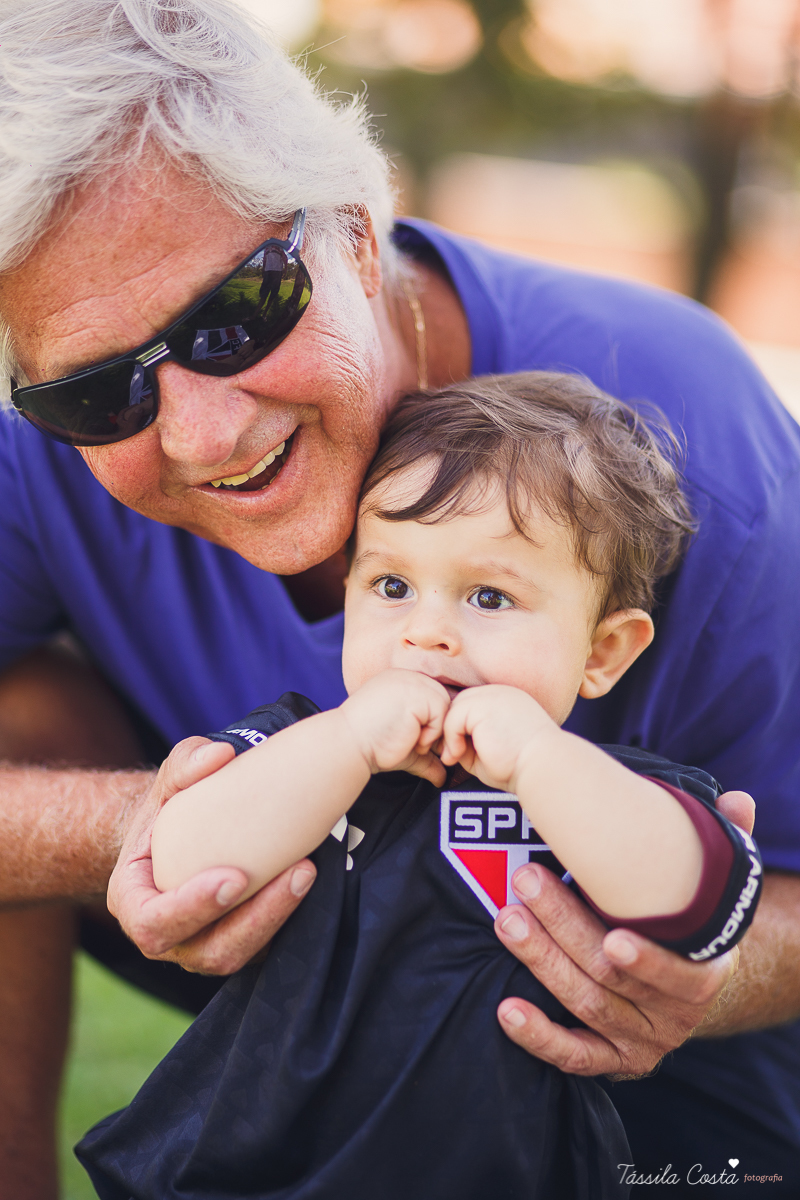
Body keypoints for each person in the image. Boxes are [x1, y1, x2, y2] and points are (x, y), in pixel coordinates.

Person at [0, 1, 797, 1197]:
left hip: (629, 1093)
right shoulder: (37, 457)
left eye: (235, 316)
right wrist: (163, 822)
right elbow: (171, 834)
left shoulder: (684, 430)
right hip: (308, 1040)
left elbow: (737, 890)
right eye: (94, 394)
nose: (204, 434)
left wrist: (682, 966)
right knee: (23, 712)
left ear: (358, 238)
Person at [76, 375, 762, 1199]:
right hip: (245, 1170)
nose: (426, 632)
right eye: (391, 587)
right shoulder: (299, 750)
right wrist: (348, 741)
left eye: (490, 597)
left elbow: (697, 905)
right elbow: (178, 866)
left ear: (602, 652)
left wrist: (536, 759)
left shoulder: (610, 796)